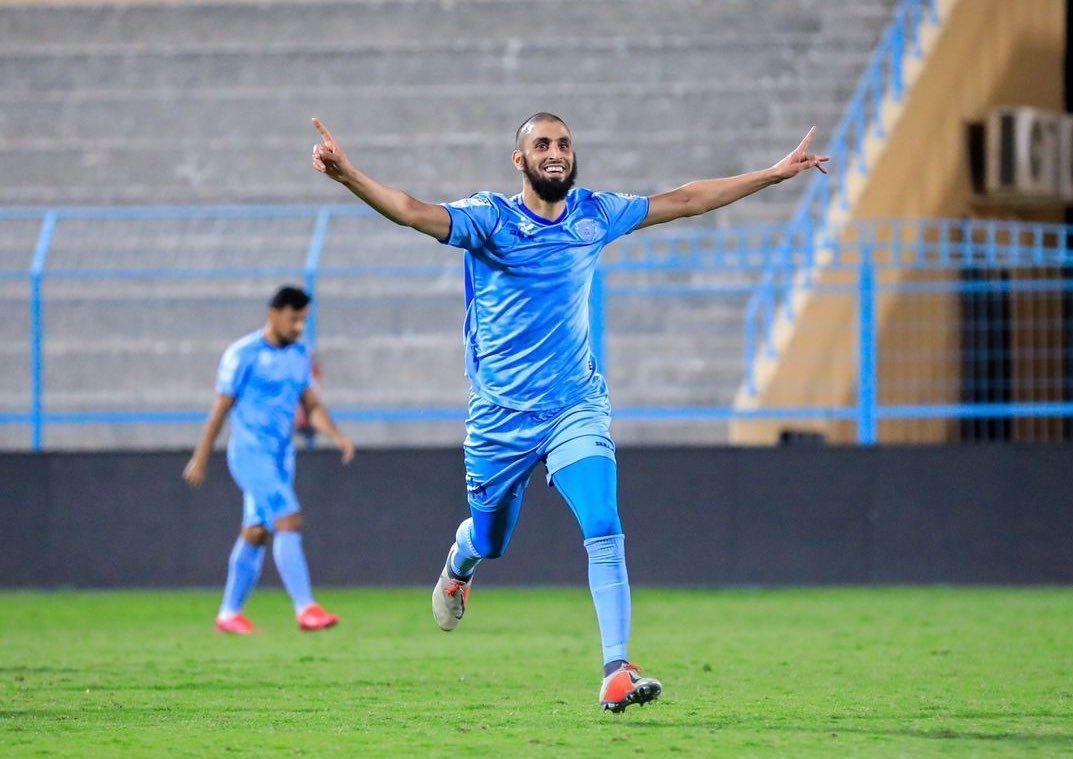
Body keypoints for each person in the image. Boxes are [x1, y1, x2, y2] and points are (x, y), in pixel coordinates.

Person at [311, 113, 827, 711]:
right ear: (519, 160)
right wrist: (349, 176)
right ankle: (459, 564)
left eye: (562, 143)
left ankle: (616, 669)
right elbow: (412, 209)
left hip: (574, 407)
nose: (555, 152)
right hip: (499, 420)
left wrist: (773, 174)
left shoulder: (594, 214)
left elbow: (685, 200)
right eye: (541, 145)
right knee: (491, 537)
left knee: (603, 522)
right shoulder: (490, 219)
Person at [183, 285, 355, 634]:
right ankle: (306, 608)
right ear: (274, 314)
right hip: (249, 454)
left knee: (257, 531)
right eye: (293, 319)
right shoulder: (242, 354)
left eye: (303, 320)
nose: (297, 327)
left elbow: (309, 404)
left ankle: (229, 613)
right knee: (288, 520)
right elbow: (221, 408)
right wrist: (200, 457)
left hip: (281, 456)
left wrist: (334, 435)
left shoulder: (299, 355)